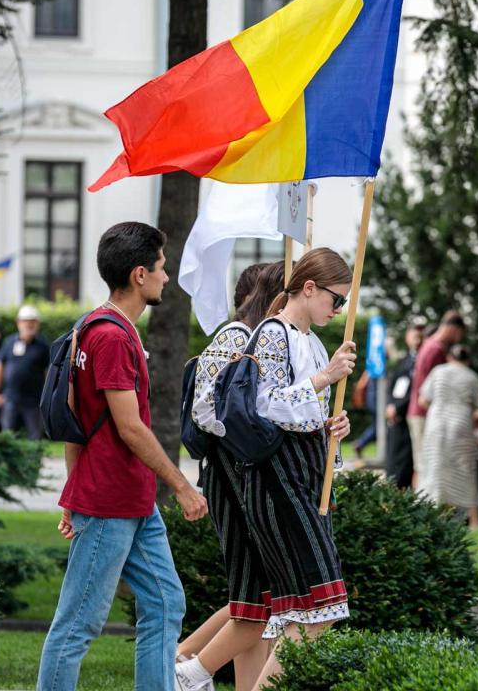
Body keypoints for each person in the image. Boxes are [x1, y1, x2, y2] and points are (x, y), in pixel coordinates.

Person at [37, 221, 207, 691]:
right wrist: (181, 485)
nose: (165, 277)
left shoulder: (92, 327)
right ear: (138, 275)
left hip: (130, 499)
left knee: (166, 602)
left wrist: (73, 490)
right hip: (111, 501)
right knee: (77, 625)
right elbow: (129, 427)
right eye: (161, 267)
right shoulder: (111, 337)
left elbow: (73, 419)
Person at [177, 248, 354, 691]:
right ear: (307, 288)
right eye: (337, 299)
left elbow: (303, 412)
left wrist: (331, 427)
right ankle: (187, 669)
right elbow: (254, 408)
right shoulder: (262, 335)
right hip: (262, 475)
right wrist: (322, 381)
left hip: (298, 475)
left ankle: (190, 670)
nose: (340, 310)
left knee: (271, 605)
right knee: (309, 605)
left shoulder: (308, 339)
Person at [174, 260, 285, 691]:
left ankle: (188, 660)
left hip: (242, 472)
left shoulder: (259, 339)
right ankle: (187, 667)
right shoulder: (236, 335)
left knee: (256, 597)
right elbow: (205, 408)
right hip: (229, 473)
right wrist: (248, 440)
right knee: (257, 599)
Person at [417, 344, 478, 527]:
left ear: (449, 357)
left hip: (436, 422)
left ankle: (433, 515)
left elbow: (422, 399)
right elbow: (477, 407)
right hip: (461, 423)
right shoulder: (472, 377)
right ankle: (474, 521)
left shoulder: (438, 371)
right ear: (467, 360)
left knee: (435, 467)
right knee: (465, 470)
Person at [406, 311, 466, 483]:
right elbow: (434, 389)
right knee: (424, 465)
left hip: (418, 411)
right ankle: (420, 506)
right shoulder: (437, 349)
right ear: (453, 329)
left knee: (422, 463)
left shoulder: (428, 345)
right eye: (459, 334)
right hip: (424, 413)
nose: (458, 339)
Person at [0, 305, 51, 440]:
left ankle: (33, 461)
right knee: (7, 437)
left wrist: (48, 397)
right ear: (18, 323)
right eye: (25, 321)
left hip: (34, 401)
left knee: (35, 437)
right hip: (10, 399)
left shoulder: (43, 345)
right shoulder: (9, 342)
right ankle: (8, 462)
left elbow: (49, 372)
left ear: (37, 323)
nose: (29, 324)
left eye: (32, 321)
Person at [384, 320, 424, 488]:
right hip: (395, 415)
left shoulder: (421, 360)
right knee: (393, 456)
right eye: (414, 336)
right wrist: (390, 406)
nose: (417, 341)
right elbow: (393, 385)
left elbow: (416, 389)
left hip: (408, 414)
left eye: (420, 337)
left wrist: (398, 408)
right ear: (408, 338)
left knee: (406, 459)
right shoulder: (404, 360)